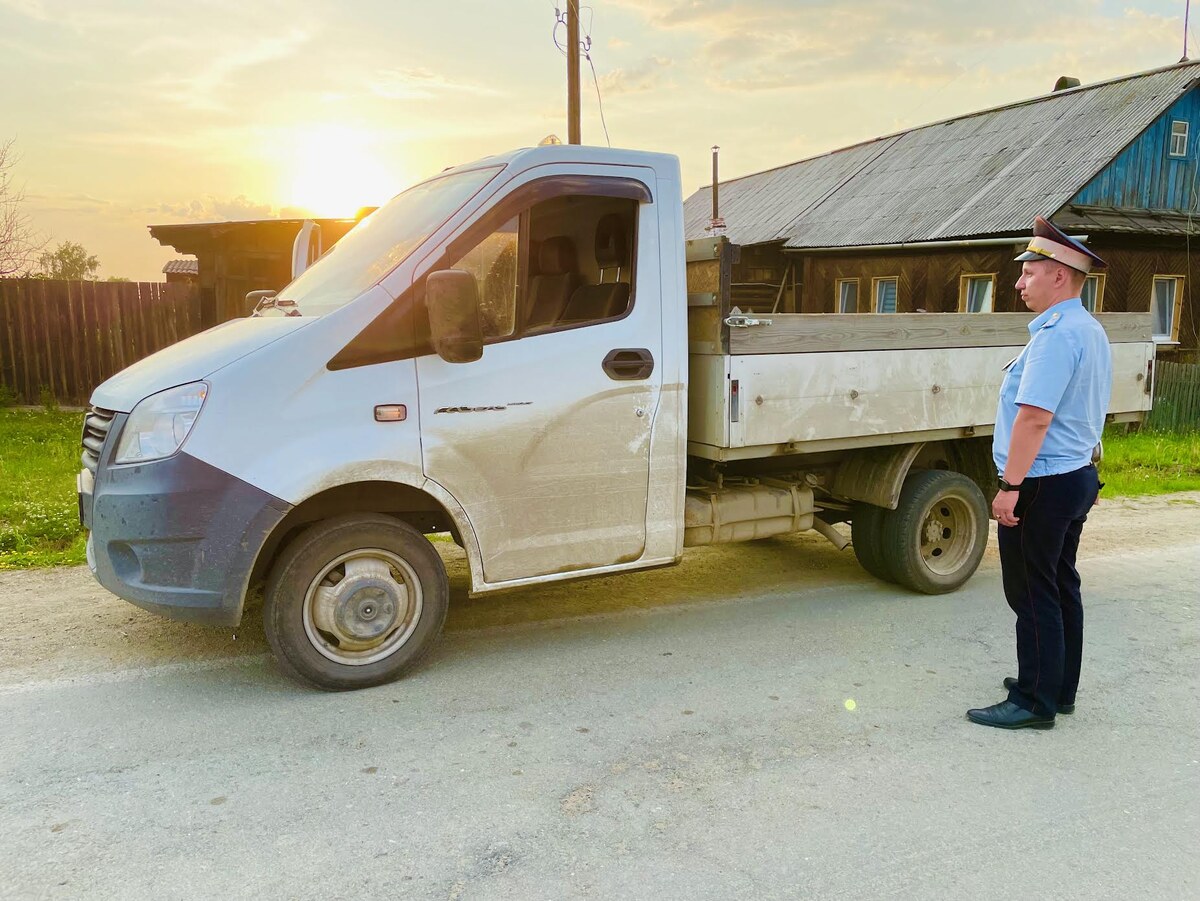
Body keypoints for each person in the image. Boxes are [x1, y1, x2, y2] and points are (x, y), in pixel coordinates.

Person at [967, 216, 1112, 730]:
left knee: (1031, 592)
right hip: (1073, 475)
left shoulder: (1055, 336)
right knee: (1059, 583)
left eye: (1028, 272)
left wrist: (1010, 487)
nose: (1018, 282)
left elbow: (1035, 417)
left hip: (1041, 482)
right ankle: (1058, 686)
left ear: (1059, 275)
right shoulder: (1088, 330)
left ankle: (1033, 702)